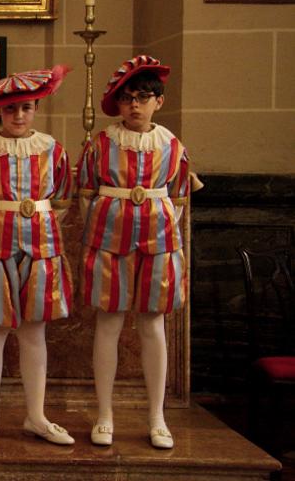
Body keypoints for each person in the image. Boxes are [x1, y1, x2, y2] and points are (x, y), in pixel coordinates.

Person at [77, 55, 195, 449]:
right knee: (108, 325)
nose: (135, 105)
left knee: (152, 326)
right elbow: (86, 194)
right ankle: (105, 413)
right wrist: (104, 224)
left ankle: (156, 416)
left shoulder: (173, 146)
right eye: (128, 98)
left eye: (143, 97)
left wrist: (157, 225)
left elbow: (177, 199)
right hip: (110, 240)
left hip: (157, 242)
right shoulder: (102, 144)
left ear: (158, 102)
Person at [0, 67, 75, 447]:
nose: (19, 116)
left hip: (41, 245)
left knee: (34, 331)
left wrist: (37, 221)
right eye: (11, 110)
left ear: (36, 108)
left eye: (26, 108)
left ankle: (36, 414)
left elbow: (61, 198)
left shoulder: (52, 149)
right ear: (0, 112)